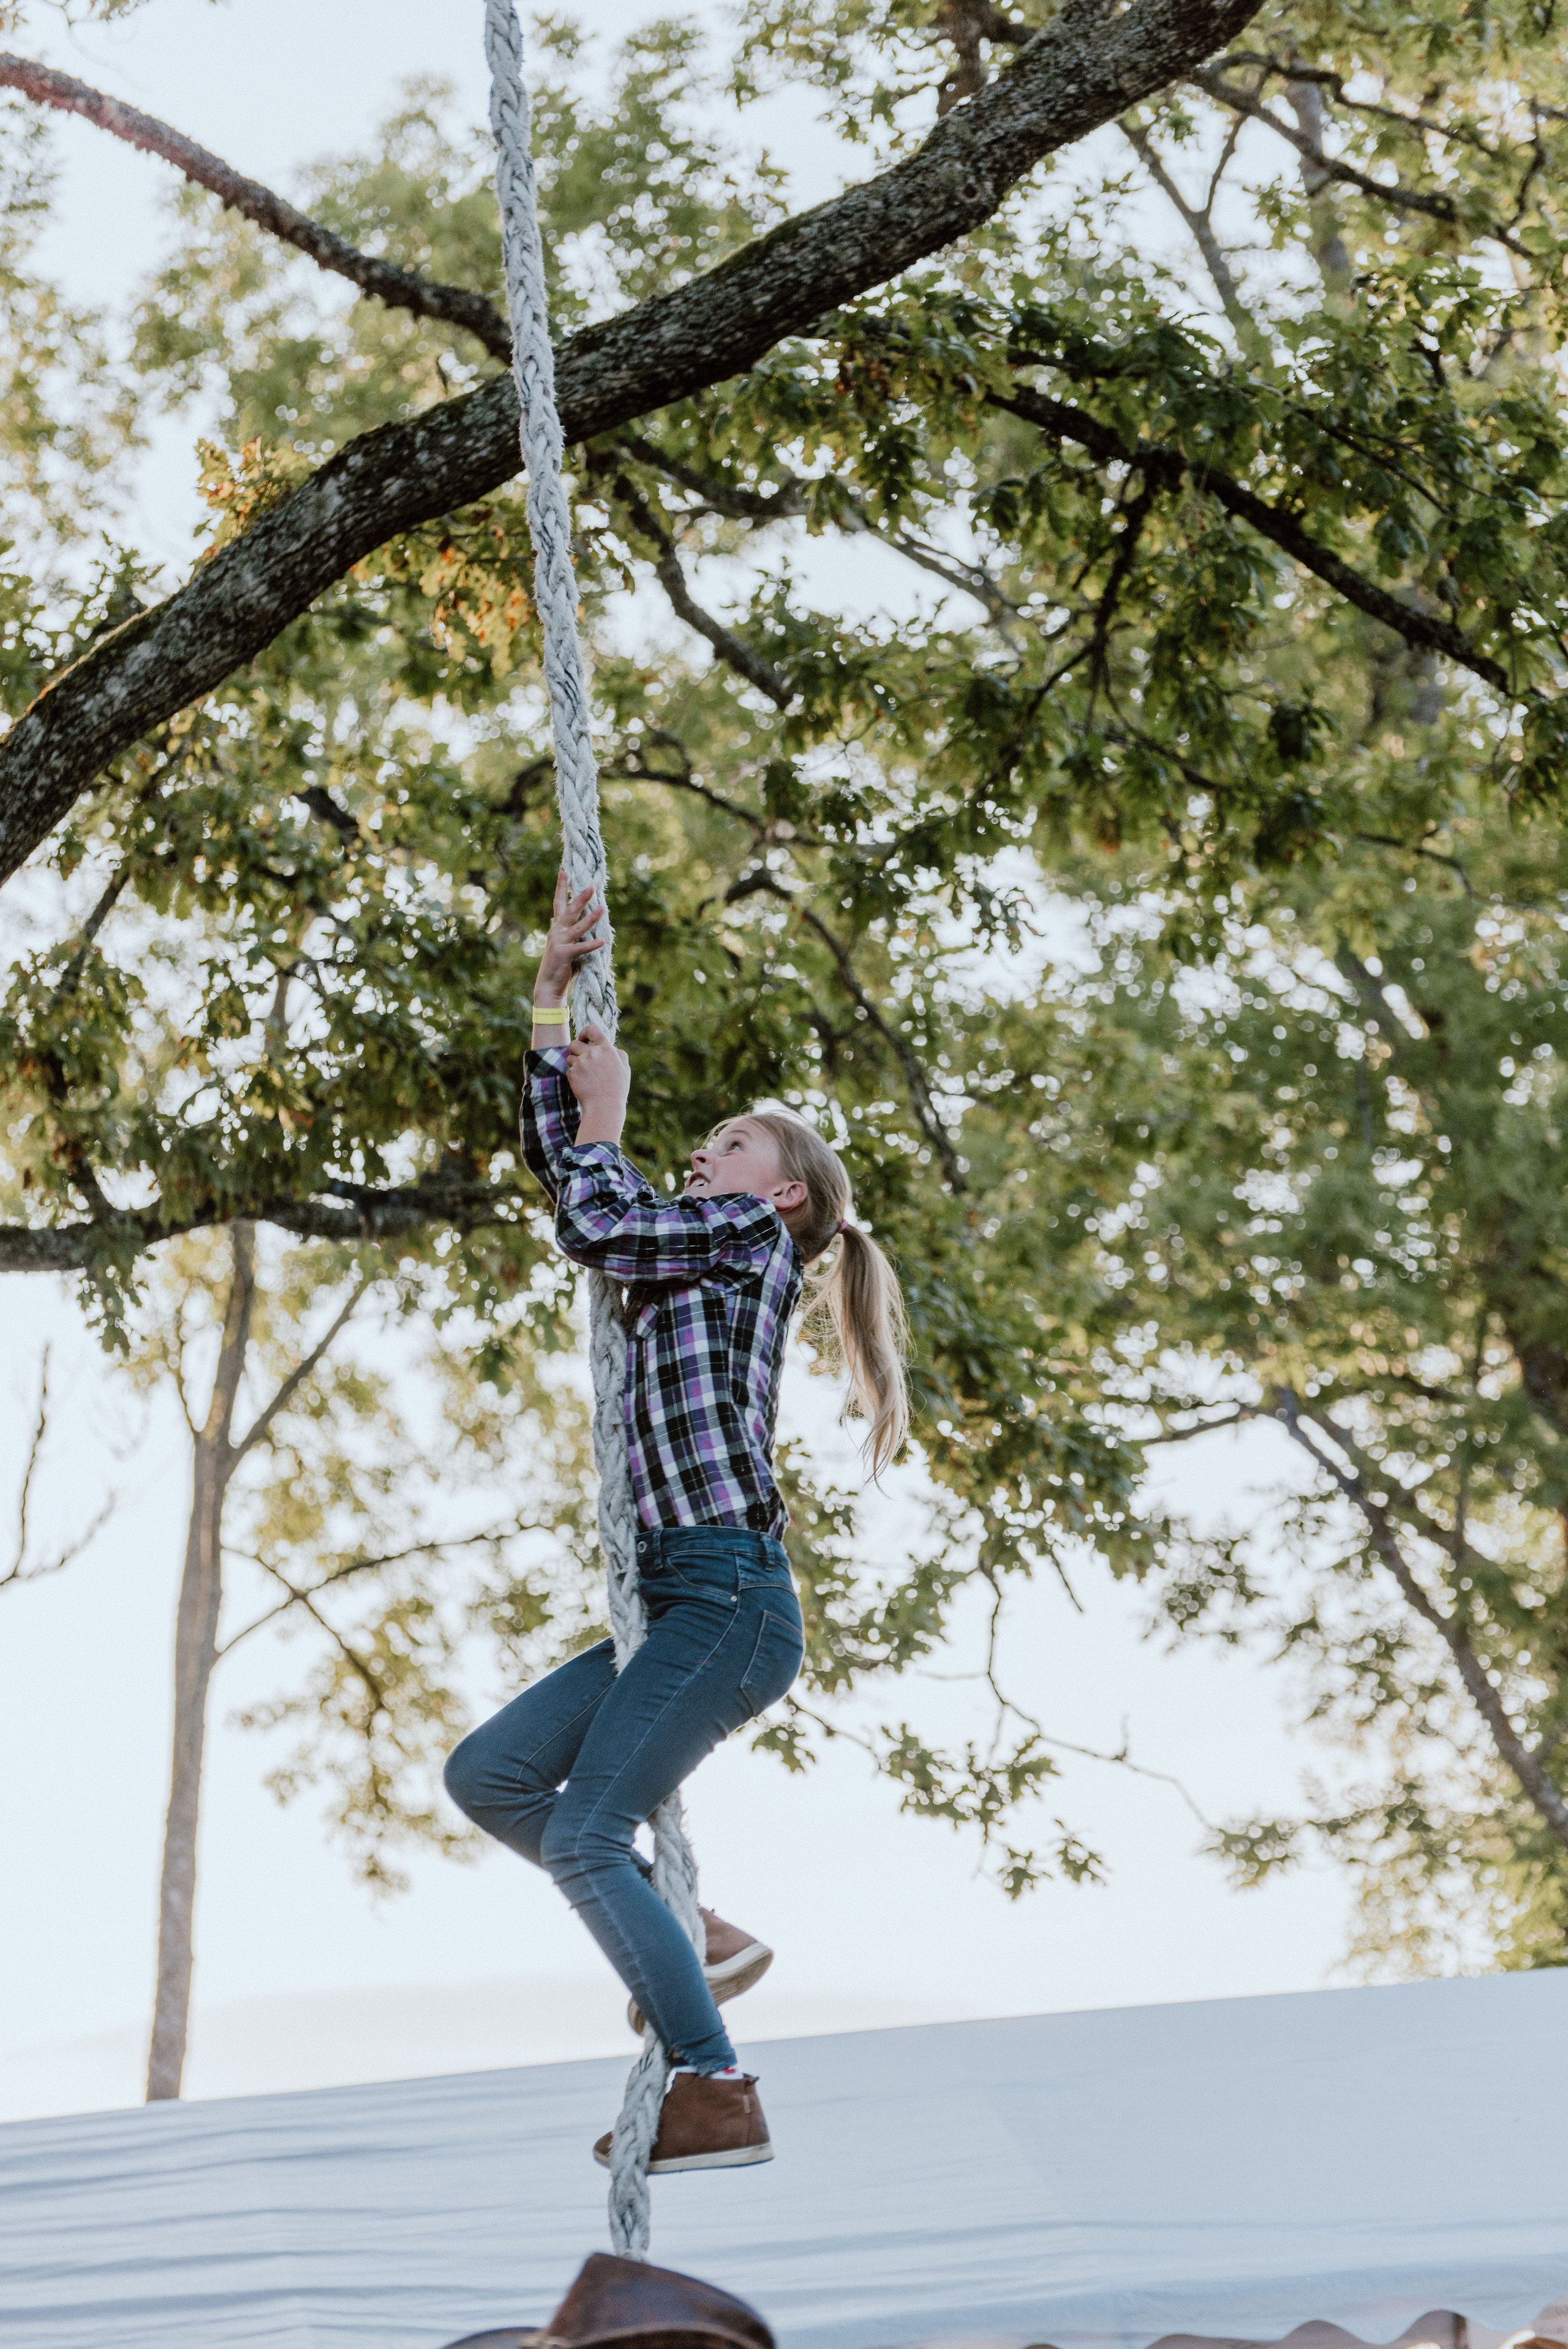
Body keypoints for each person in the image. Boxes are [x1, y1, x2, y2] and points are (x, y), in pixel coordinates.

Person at [443, 875, 910, 2175]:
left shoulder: (740, 1246)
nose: (705, 1151)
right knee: (489, 1775)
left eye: (733, 1140)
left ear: (786, 1198)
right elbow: (570, 1179)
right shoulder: (695, 1237)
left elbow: (596, 1206)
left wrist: (612, 1117)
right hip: (673, 1602)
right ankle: (685, 1925)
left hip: (725, 1600)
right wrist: (548, 1000)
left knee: (588, 1827)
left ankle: (715, 2084)